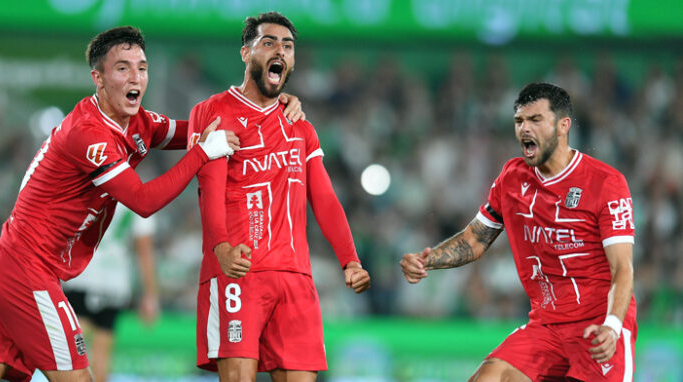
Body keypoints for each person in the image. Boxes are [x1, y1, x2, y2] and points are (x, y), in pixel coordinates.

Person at [0, 25, 304, 382]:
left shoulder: (138, 123)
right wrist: (202, 153)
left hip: (10, 264)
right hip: (26, 271)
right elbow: (143, 200)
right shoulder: (88, 134)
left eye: (142, 67)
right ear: (99, 78)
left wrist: (268, 108)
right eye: (122, 68)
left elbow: (199, 128)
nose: (136, 76)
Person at [400, 83, 636, 381]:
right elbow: (475, 239)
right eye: (519, 121)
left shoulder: (606, 183)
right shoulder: (512, 178)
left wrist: (613, 326)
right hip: (546, 327)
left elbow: (622, 268)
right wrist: (427, 260)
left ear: (563, 126)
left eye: (535, 120)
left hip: (597, 327)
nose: (524, 129)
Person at [188, 11, 371, 382]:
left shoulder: (298, 124)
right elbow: (209, 187)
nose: (280, 51)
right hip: (239, 273)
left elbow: (324, 198)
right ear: (245, 53)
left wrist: (349, 260)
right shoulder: (212, 112)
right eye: (268, 42)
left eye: (287, 46)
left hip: (295, 278)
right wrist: (221, 248)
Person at [63, 203, 159, 382]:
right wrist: (150, 294)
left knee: (72, 352)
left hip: (82, 274)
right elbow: (144, 250)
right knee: (102, 354)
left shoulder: (94, 181)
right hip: (115, 281)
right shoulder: (138, 193)